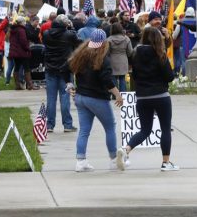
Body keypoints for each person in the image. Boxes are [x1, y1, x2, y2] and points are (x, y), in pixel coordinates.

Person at [67, 29, 127, 172]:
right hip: (97, 98)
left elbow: (66, 68)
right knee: (110, 127)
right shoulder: (103, 59)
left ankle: (80, 161)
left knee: (84, 131)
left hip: (81, 97)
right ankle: (113, 159)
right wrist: (118, 94)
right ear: (104, 43)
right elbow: (106, 80)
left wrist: (69, 85)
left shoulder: (81, 55)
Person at [122, 27, 177, 171]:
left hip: (142, 96)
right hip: (160, 95)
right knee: (165, 129)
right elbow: (170, 77)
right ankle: (165, 162)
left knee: (145, 130)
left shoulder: (135, 54)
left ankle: (126, 149)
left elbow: (134, 76)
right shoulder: (160, 53)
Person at [43, 14, 81, 133]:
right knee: (65, 97)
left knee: (51, 98)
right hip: (65, 69)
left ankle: (49, 125)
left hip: (50, 68)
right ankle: (67, 125)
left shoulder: (46, 34)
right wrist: (71, 27)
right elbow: (77, 42)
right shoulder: (69, 34)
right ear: (65, 24)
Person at [8, 16, 34, 90]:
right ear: (22, 22)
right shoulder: (21, 30)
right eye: (24, 22)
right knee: (26, 67)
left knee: (17, 67)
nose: (25, 23)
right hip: (22, 52)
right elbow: (23, 41)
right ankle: (30, 85)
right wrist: (28, 49)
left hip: (15, 52)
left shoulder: (13, 29)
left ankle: (17, 85)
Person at [107, 23, 133, 92]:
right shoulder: (126, 38)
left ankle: (115, 95)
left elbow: (107, 52)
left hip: (112, 60)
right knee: (122, 78)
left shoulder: (109, 39)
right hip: (123, 60)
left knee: (113, 78)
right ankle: (123, 94)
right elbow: (130, 52)